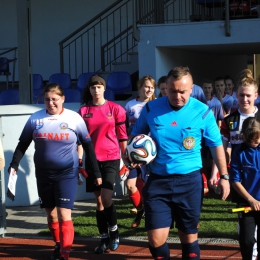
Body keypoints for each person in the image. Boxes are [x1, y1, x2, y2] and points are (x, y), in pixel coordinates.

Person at [123, 66, 230, 260]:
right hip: (158, 181)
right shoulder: (151, 108)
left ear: (191, 89)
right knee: (155, 240)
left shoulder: (203, 111)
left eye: (182, 91)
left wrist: (223, 176)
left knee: (188, 238)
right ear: (165, 88)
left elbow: (216, 145)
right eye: (172, 90)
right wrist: (130, 156)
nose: (177, 95)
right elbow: (135, 138)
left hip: (189, 183)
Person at [8, 83, 101, 260]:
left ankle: (65, 254)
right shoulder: (35, 118)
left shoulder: (74, 118)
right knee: (51, 215)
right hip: (43, 174)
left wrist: (95, 172)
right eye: (47, 100)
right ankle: (58, 244)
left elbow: (88, 146)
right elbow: (23, 144)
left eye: (55, 99)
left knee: (64, 213)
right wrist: (14, 164)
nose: (51, 103)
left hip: (66, 173)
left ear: (63, 99)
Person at [77, 75, 128, 254]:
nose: (96, 90)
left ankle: (114, 233)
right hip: (92, 162)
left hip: (111, 158)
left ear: (104, 89)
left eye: (99, 87)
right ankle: (104, 238)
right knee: (98, 202)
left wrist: (126, 160)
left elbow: (122, 137)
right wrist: (80, 162)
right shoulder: (83, 111)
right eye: (93, 87)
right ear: (89, 90)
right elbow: (80, 141)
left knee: (106, 198)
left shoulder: (116, 109)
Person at [124, 75, 156, 228]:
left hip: (150, 154)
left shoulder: (157, 105)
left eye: (151, 87)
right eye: (146, 86)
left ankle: (151, 216)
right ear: (139, 87)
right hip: (132, 151)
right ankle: (140, 210)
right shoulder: (130, 105)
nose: (149, 89)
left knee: (149, 185)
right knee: (130, 184)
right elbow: (124, 129)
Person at [230, 116, 260, 260]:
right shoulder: (239, 151)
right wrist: (251, 200)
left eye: (257, 139)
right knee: (247, 241)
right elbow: (235, 180)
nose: (255, 143)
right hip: (247, 203)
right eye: (251, 140)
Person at [201, 79, 224, 187]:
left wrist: (218, 133)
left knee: (212, 158)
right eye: (205, 88)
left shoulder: (217, 103)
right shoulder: (198, 102)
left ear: (212, 89)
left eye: (209, 88)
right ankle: (204, 181)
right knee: (202, 158)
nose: (207, 90)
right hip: (201, 135)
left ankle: (213, 178)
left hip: (211, 134)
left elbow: (219, 119)